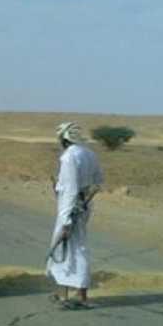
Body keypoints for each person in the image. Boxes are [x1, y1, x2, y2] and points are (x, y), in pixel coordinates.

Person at [47, 121, 103, 310]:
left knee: (66, 248)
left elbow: (70, 190)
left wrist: (66, 220)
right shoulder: (89, 153)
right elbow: (98, 182)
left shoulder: (69, 157)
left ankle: (67, 297)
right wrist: (84, 200)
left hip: (70, 209)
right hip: (84, 206)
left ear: (63, 138)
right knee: (77, 247)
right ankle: (77, 295)